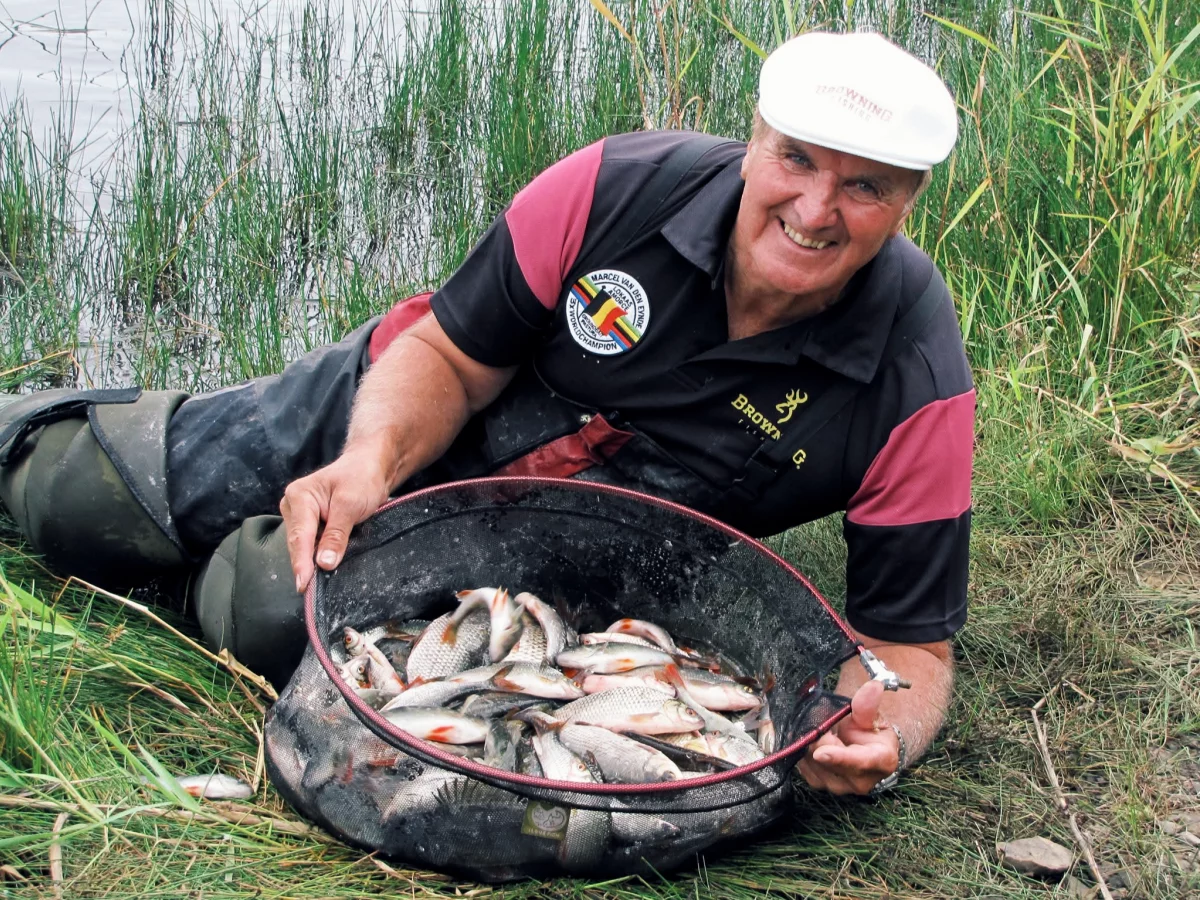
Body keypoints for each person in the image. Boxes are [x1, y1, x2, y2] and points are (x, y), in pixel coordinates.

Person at [0, 31, 972, 797]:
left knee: (262, 607)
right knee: (82, 499)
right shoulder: (612, 187)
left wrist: (882, 737)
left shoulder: (916, 380)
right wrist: (368, 462)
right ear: (754, 139)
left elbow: (909, 649)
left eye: (864, 186)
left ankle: (205, 572)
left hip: (555, 535)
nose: (815, 208)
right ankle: (59, 432)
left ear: (909, 199)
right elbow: (449, 359)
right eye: (796, 159)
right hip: (408, 404)